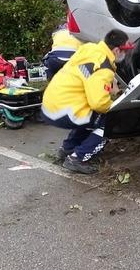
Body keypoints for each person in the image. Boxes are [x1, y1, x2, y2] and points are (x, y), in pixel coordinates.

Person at [40, 29, 134, 174]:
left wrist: (109, 87)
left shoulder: (90, 49)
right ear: (116, 50)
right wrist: (116, 105)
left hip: (51, 103)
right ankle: (78, 158)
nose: (125, 54)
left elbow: (88, 77)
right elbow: (99, 103)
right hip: (65, 111)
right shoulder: (104, 68)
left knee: (90, 116)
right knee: (110, 121)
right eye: (124, 51)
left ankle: (67, 149)